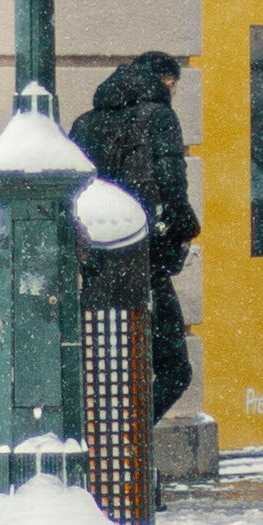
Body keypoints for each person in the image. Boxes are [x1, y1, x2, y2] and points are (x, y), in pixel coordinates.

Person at [69, 50, 204, 428]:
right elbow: (173, 189)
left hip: (94, 266)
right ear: (167, 81)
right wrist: (185, 230)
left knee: (103, 368)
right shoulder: (160, 118)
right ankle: (128, 438)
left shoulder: (86, 123)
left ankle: (99, 440)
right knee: (174, 370)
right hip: (145, 262)